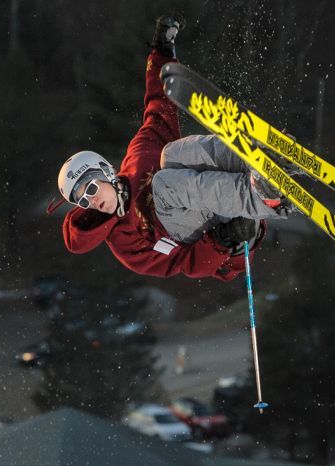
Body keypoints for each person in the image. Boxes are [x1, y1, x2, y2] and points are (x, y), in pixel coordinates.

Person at [55, 14, 289, 282]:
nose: (93, 201)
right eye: (84, 201)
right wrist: (225, 241)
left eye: (92, 189)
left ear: (104, 171)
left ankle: (260, 162)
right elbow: (186, 263)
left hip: (223, 198)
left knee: (172, 154)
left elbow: (159, 108)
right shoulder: (125, 244)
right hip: (222, 231)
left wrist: (161, 55)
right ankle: (263, 197)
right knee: (163, 184)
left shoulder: (138, 156)